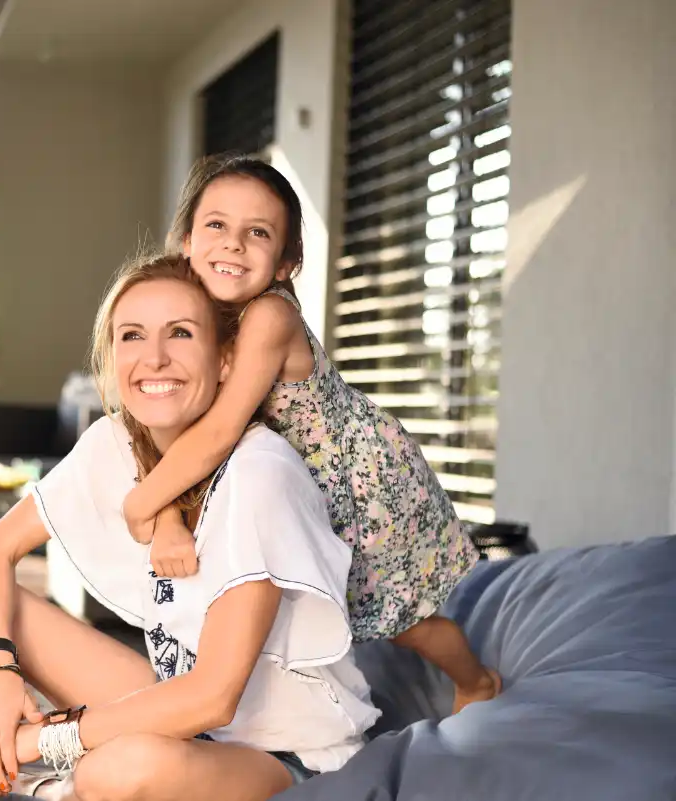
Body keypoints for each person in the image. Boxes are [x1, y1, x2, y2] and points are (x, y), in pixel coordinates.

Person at [0, 254, 378, 801]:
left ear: (226, 360)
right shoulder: (114, 443)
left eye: (181, 334)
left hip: (284, 755)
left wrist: (44, 739)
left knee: (117, 769)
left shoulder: (262, 474)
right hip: (188, 719)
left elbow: (213, 698)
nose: (154, 359)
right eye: (132, 336)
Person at [121, 153, 501, 714]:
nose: (232, 244)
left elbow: (221, 428)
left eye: (258, 233)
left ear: (285, 263)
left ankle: (476, 681)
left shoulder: (270, 317)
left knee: (402, 618)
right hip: (293, 479)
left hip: (357, 482)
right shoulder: (189, 312)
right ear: (186, 239)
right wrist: (169, 515)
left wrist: (142, 504)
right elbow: (170, 427)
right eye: (217, 226)